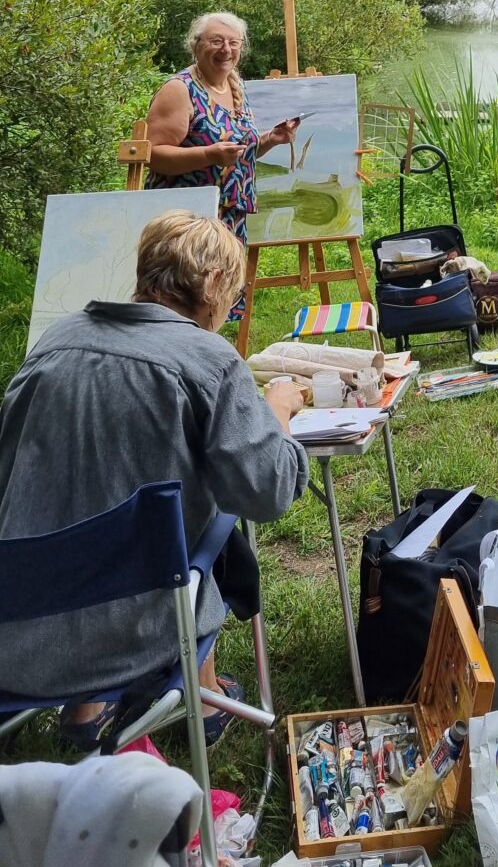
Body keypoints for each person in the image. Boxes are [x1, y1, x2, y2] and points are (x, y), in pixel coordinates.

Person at [0, 210, 311, 750]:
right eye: (231, 296)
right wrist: (277, 413)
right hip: (136, 626)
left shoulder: (55, 340)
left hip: (18, 626)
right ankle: (206, 705)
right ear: (213, 284)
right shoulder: (208, 359)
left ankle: (83, 714)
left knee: (116, 491)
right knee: (200, 524)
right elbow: (267, 491)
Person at [144, 9, 298, 256]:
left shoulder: (235, 86)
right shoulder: (180, 89)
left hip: (231, 220)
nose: (226, 49)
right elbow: (152, 155)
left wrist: (270, 139)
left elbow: (233, 154)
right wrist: (208, 155)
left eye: (233, 42)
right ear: (195, 46)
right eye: (216, 41)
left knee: (226, 291)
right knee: (190, 292)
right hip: (186, 224)